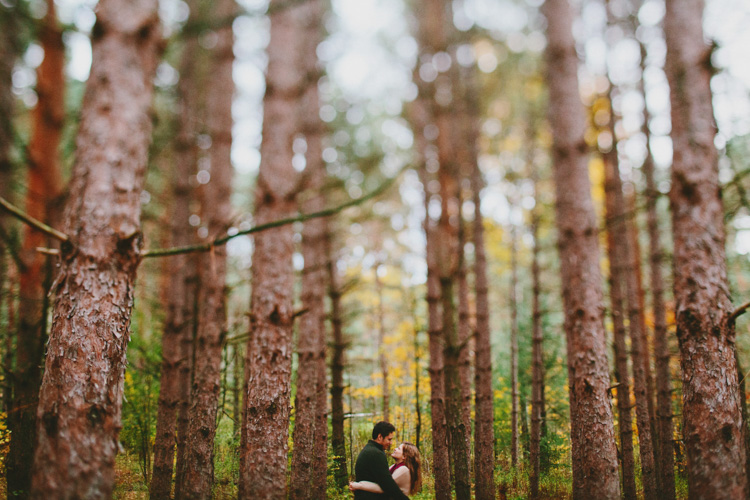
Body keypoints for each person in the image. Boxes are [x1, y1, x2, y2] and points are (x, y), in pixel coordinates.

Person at [350, 421, 410, 500]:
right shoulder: (375, 453)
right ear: (380, 437)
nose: (391, 443)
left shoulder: (371, 450)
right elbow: (388, 485)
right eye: (389, 439)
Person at [350, 441, 422, 497]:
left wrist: (359, 485)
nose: (395, 449)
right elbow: (382, 481)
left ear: (404, 456)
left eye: (399, 449)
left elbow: (384, 487)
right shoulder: (394, 466)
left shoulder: (403, 470)